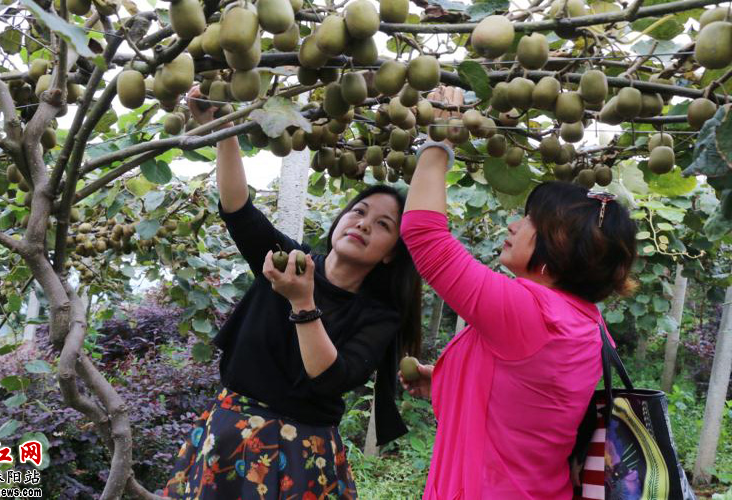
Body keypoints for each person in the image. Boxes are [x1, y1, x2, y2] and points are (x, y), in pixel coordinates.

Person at [162, 88, 422, 499]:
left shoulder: (379, 315)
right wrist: (224, 127)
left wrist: (303, 302)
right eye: (359, 211)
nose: (365, 224)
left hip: (304, 453)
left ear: (391, 254)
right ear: (340, 220)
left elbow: (331, 378)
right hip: (231, 434)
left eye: (384, 225)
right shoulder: (289, 260)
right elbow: (238, 210)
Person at [399, 87, 637, 499]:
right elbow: (527, 409)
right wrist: (442, 381)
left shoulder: (534, 313)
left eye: (530, 220)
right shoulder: (585, 322)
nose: (514, 225)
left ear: (559, 247)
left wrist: (438, 142)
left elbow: (424, 236)